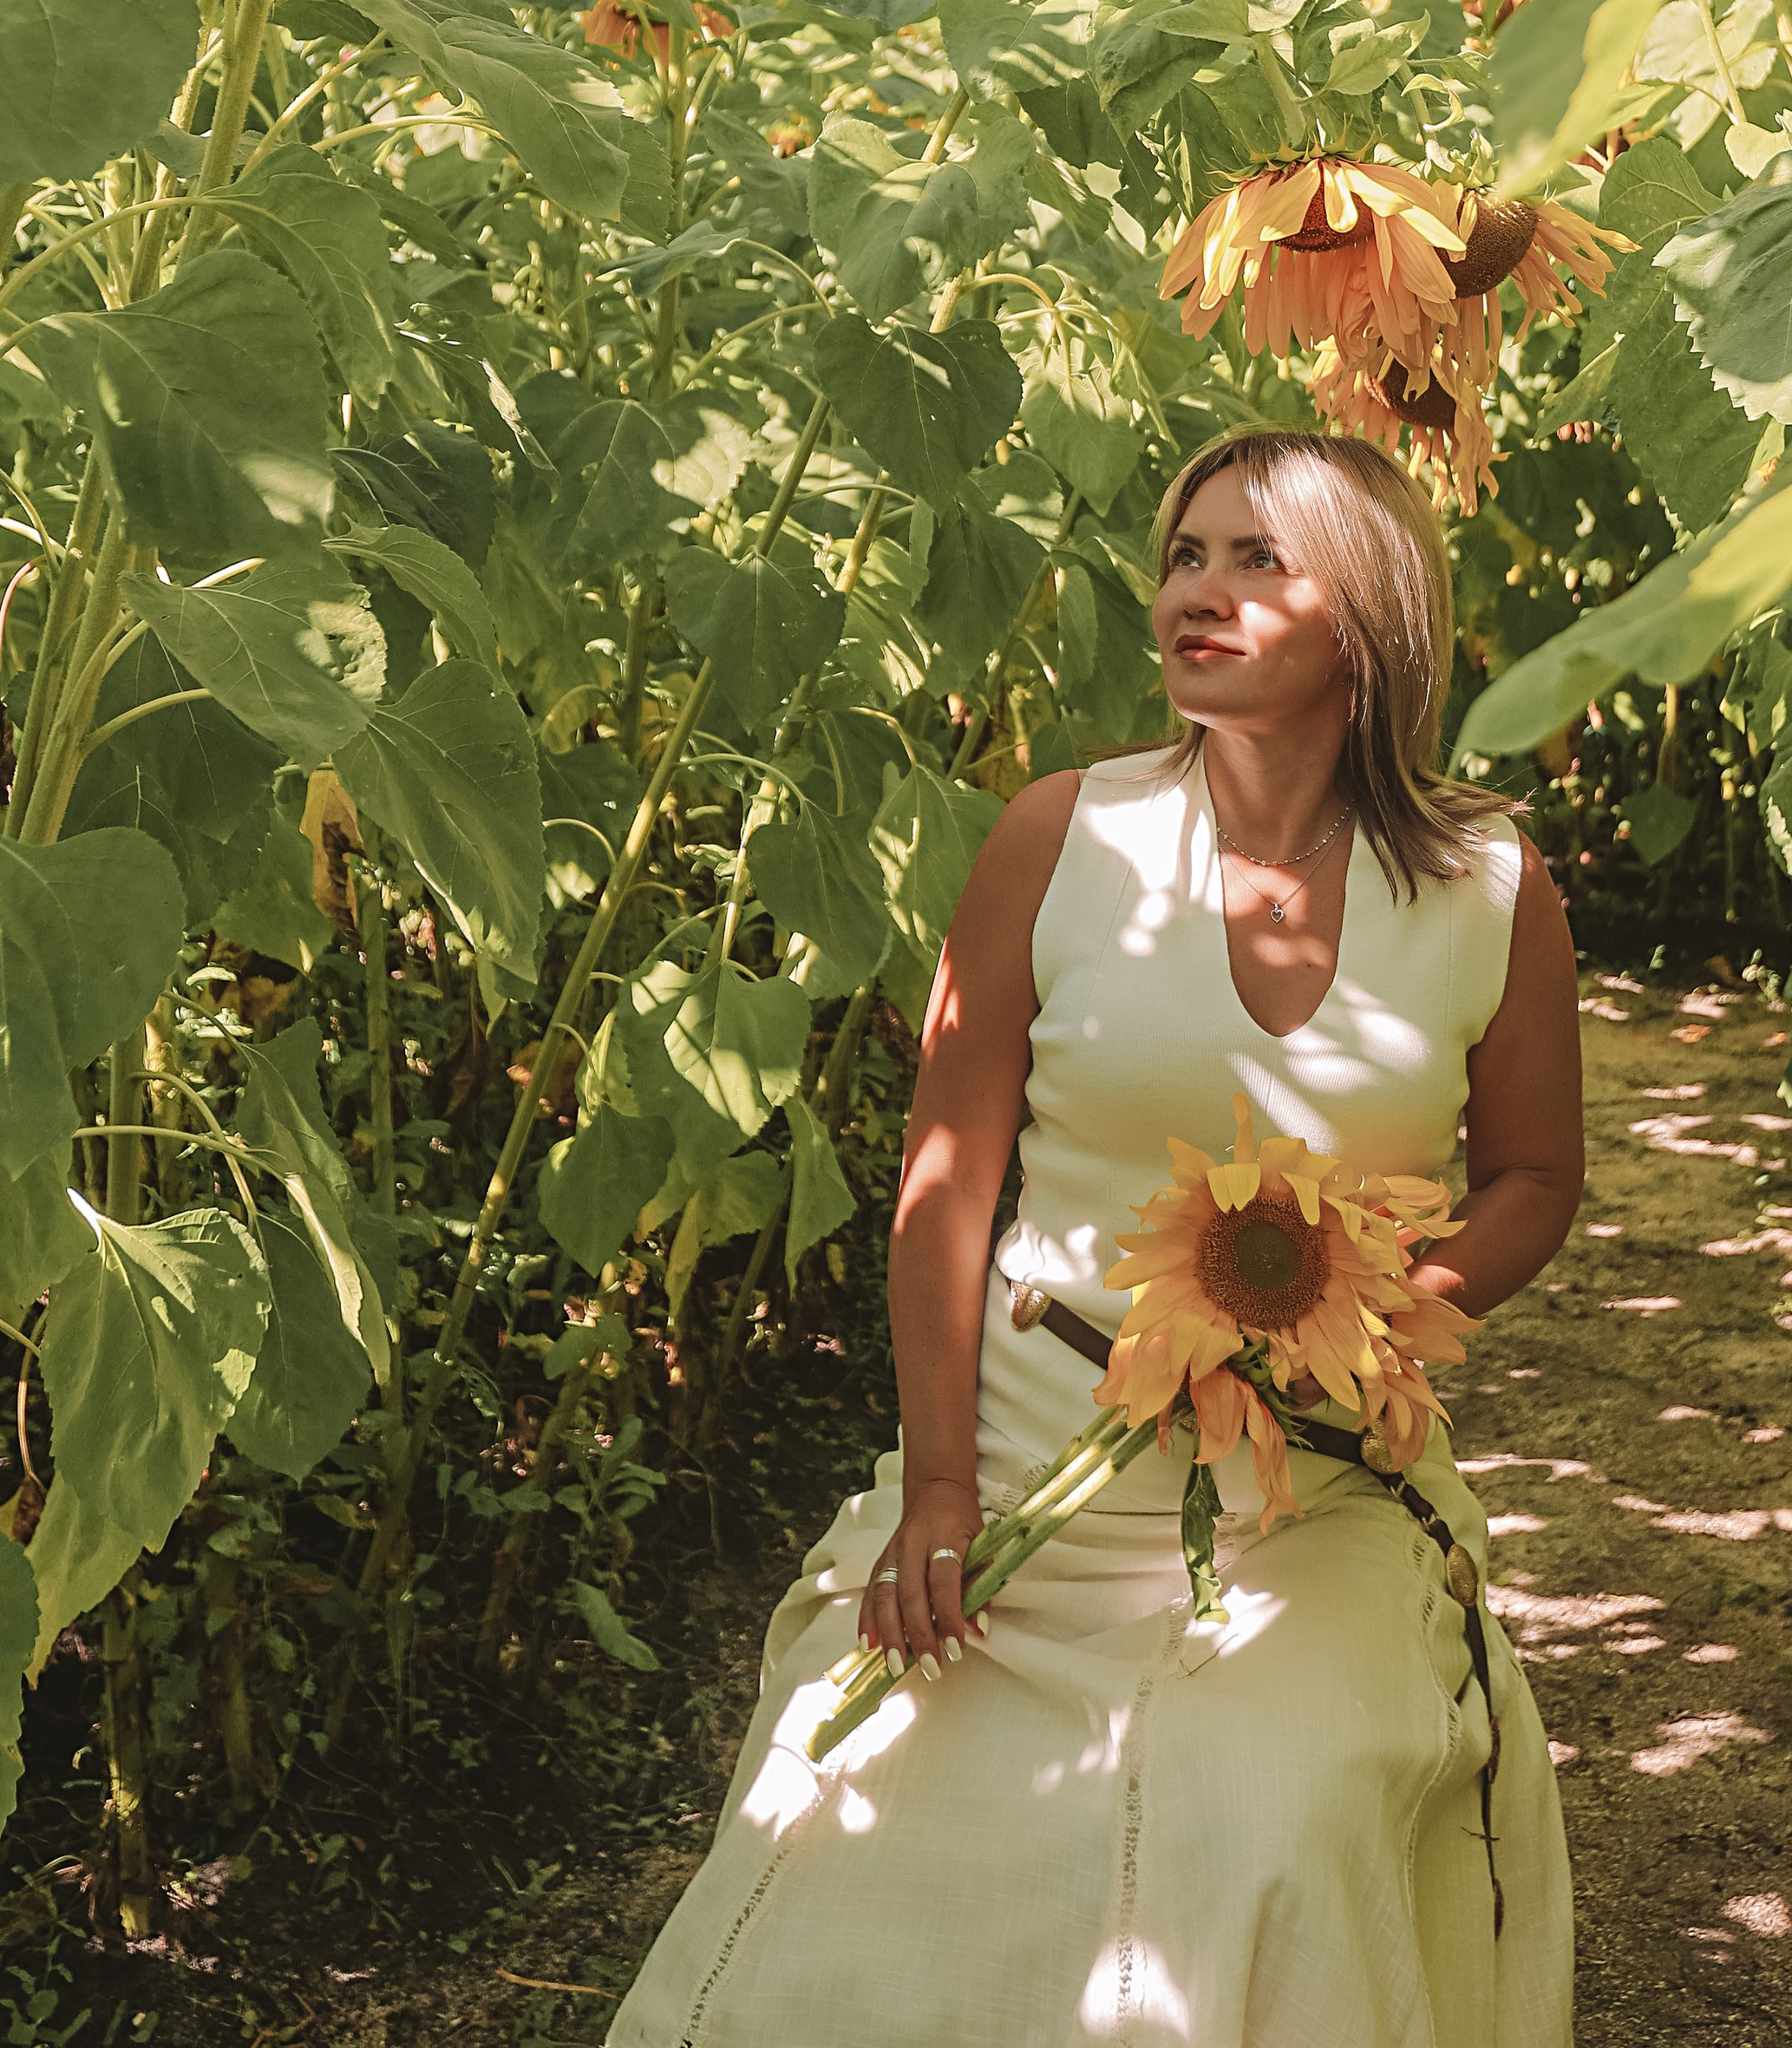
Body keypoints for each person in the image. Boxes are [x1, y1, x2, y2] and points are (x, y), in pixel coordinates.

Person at [610, 428, 1583, 2047]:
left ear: (1374, 610)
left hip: (1317, 1484)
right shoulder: (1059, 838)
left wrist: (1366, 1312)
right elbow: (943, 1183)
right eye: (1182, 557)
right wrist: (937, 1486)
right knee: (856, 1795)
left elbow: (1536, 1178)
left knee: (1286, 1810)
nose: (1197, 593)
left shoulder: (1491, 881)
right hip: (1030, 1451)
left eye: (1255, 559)